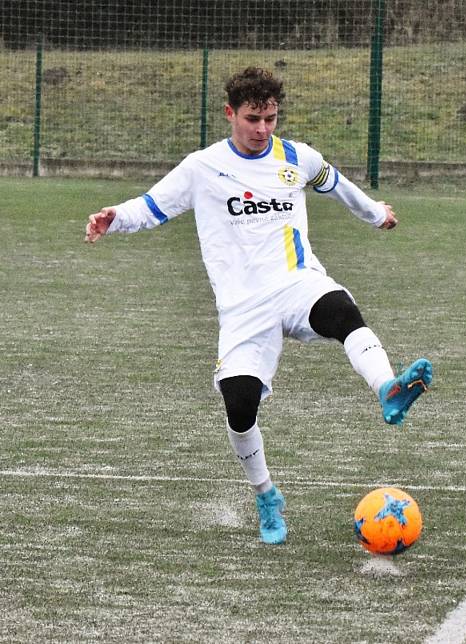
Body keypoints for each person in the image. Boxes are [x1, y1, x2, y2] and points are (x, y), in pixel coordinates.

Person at [84, 67, 433, 545]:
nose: (263, 129)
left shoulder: (297, 157)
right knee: (240, 404)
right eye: (253, 119)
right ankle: (266, 493)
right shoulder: (202, 167)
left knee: (341, 310)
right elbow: (152, 206)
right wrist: (113, 217)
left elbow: (340, 186)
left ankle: (388, 388)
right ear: (231, 114)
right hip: (243, 309)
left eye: (271, 118)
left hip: (295, 282)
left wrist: (378, 215)